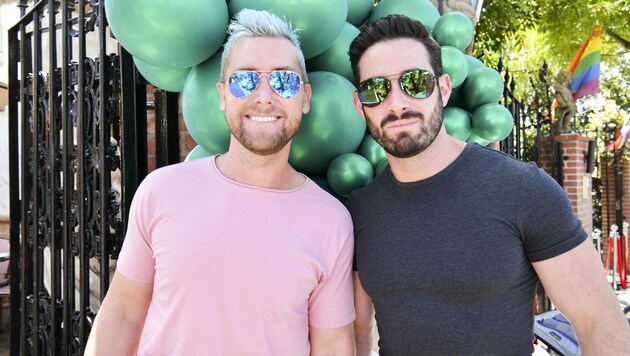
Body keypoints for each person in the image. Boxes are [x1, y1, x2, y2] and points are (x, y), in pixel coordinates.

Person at [346, 14, 630, 355]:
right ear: (360, 106)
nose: (397, 103)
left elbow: (597, 321)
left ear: (444, 89)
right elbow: (358, 335)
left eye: (415, 82)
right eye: (375, 89)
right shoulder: (359, 211)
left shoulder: (522, 190)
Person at [85, 9, 355, 355]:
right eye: (245, 80)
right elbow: (122, 314)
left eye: (283, 81)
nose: (264, 96)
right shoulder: (161, 192)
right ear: (223, 94)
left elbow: (332, 346)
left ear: (304, 98)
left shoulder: (332, 220)